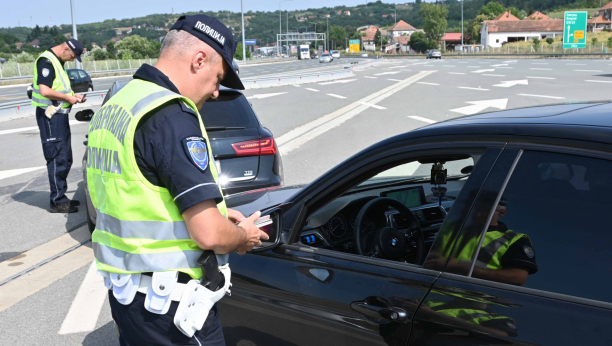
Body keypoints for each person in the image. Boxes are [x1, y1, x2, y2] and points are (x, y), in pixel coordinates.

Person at [87, 14, 268, 345]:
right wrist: (242, 237)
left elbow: (134, 192)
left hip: (129, 298)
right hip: (171, 308)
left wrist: (213, 212)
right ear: (199, 60)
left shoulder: (118, 105)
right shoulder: (171, 114)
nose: (216, 92)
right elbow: (210, 234)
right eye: (218, 78)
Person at [32, 39, 86, 213]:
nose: (73, 59)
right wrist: (68, 99)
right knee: (57, 158)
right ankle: (57, 201)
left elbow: (58, 89)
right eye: (73, 55)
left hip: (59, 116)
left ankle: (61, 197)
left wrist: (73, 95)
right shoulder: (46, 61)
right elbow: (45, 90)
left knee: (65, 157)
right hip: (50, 117)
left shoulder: (58, 61)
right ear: (65, 48)